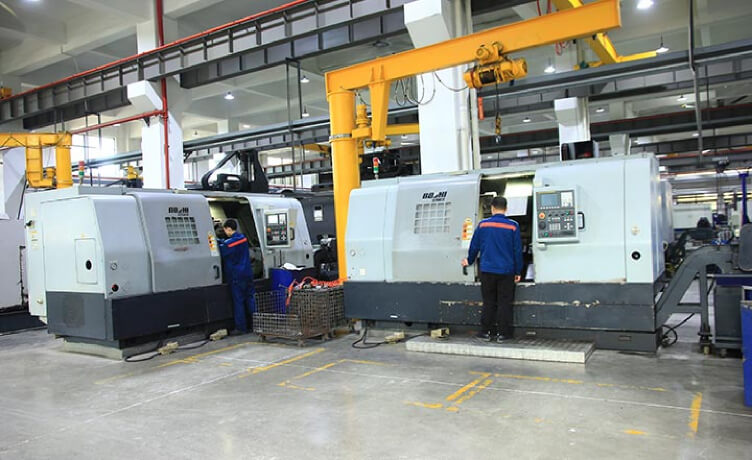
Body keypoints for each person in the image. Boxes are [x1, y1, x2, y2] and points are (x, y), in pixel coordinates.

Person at [462, 196, 523, 343]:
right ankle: (503, 334)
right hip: (506, 271)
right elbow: (517, 250)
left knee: (488, 302)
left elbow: (474, 246)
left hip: (487, 270)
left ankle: (485, 332)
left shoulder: (483, 225)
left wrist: (469, 260)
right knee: (504, 303)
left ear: (492, 208)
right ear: (506, 209)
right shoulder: (513, 226)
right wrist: (518, 271)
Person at [219, 219, 256, 334]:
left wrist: (213, 240)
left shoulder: (230, 243)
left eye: (225, 230)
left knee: (238, 301)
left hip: (237, 276)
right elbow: (228, 243)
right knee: (250, 298)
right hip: (247, 274)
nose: (225, 232)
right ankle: (256, 324)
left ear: (229, 229)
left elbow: (222, 249)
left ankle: (241, 328)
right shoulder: (243, 238)